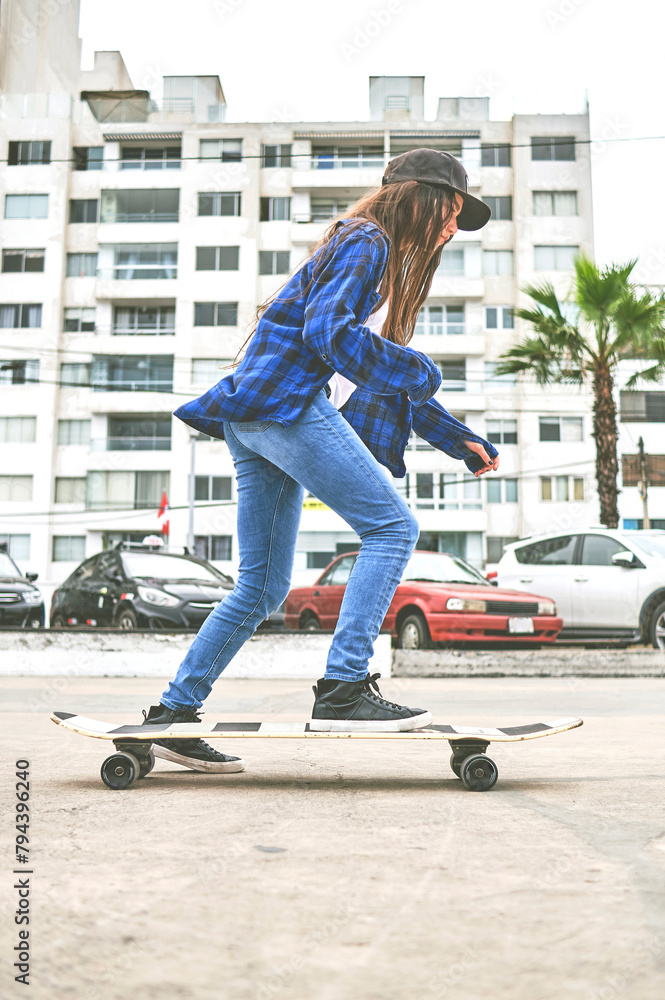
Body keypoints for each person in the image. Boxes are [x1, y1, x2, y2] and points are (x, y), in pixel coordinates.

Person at [140, 148, 500, 773]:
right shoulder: (369, 242)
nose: (451, 228)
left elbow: (379, 380)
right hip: (285, 408)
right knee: (393, 529)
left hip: (253, 417)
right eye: (451, 212)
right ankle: (344, 688)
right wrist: (420, 367)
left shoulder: (378, 268)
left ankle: (173, 712)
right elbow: (328, 335)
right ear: (421, 197)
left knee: (262, 586)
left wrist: (454, 437)